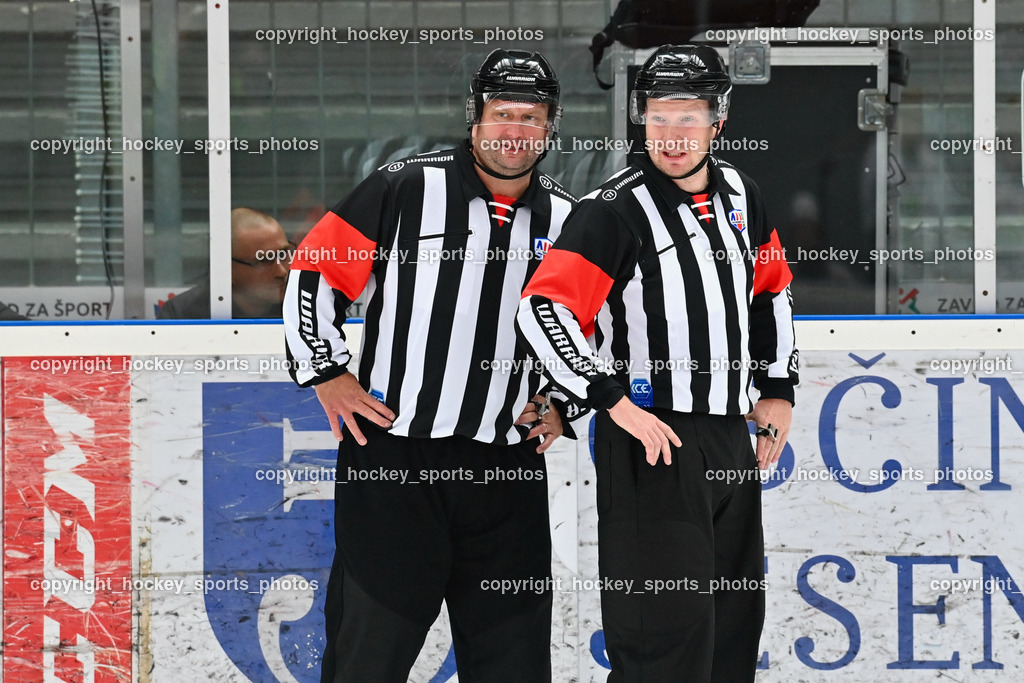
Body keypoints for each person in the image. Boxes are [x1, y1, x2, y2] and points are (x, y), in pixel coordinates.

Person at [283, 49, 585, 682]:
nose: (516, 130)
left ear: (550, 126)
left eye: (532, 117)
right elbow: (315, 271)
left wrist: (564, 402)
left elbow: (598, 325)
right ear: (475, 117)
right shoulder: (405, 186)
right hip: (396, 462)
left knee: (513, 658)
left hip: (506, 470)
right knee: (370, 651)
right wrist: (326, 371)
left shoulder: (567, 218)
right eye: (503, 113)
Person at [515, 44, 799, 682]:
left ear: (718, 121)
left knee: (731, 629)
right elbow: (542, 309)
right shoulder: (612, 209)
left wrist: (778, 387)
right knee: (663, 639)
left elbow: (771, 289)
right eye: (658, 118)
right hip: (651, 442)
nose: (671, 136)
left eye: (688, 118)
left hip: (728, 437)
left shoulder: (741, 193)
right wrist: (610, 401)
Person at [157, 207, 292, 319]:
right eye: (263, 261)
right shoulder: (181, 316)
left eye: (283, 254)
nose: (282, 272)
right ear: (226, 269)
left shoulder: (300, 305)